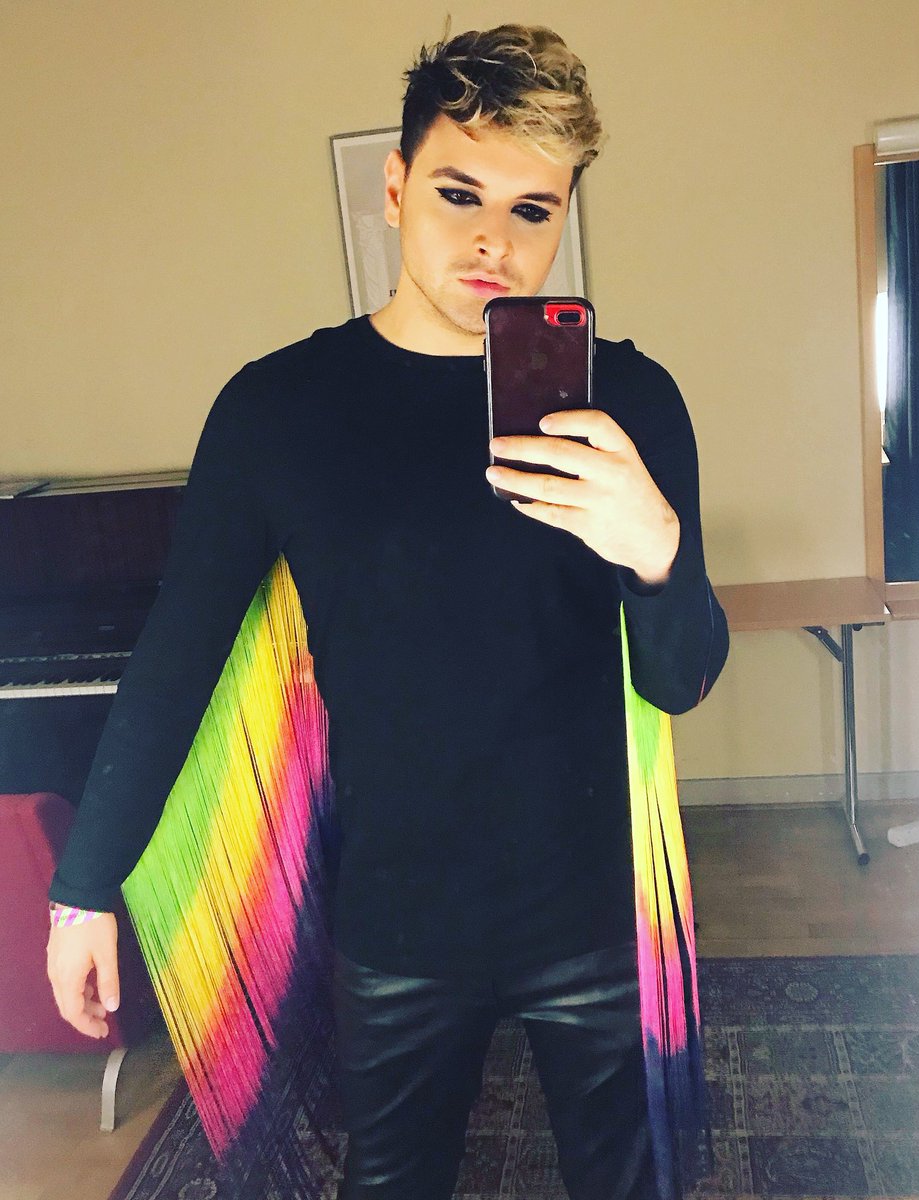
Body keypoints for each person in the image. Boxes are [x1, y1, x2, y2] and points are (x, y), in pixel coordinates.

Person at [46, 22, 729, 1200]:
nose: (493, 240)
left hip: (594, 913)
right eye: (460, 193)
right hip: (397, 922)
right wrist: (82, 888)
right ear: (397, 186)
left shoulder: (630, 400)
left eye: (531, 209)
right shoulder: (278, 412)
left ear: (563, 216)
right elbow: (177, 657)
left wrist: (657, 552)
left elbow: (680, 677)